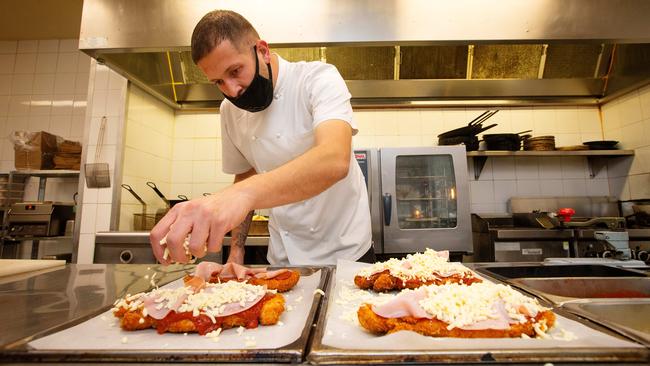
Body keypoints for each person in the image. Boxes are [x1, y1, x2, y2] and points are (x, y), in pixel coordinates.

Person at [149, 9, 374, 266]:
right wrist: (237, 249)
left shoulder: (317, 79)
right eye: (218, 82)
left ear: (263, 51)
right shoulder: (229, 111)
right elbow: (246, 174)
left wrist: (240, 195)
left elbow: (333, 159)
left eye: (235, 71)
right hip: (283, 255)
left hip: (347, 251)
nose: (232, 91)